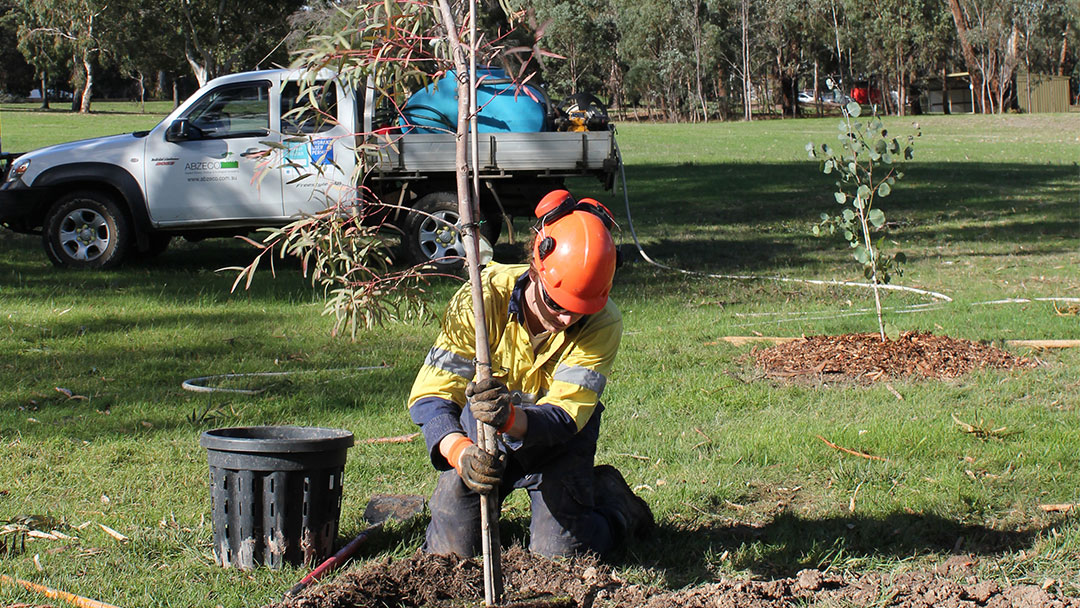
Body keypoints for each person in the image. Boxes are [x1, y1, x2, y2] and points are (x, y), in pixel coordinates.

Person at [406, 189, 653, 558]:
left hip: (559, 443)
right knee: (451, 553)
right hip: (480, 432)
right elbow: (432, 395)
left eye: (580, 309)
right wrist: (461, 453)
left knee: (562, 555)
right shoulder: (481, 297)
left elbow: (566, 415)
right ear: (535, 268)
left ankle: (617, 508)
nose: (566, 318)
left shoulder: (603, 322)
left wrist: (509, 418)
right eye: (557, 303)